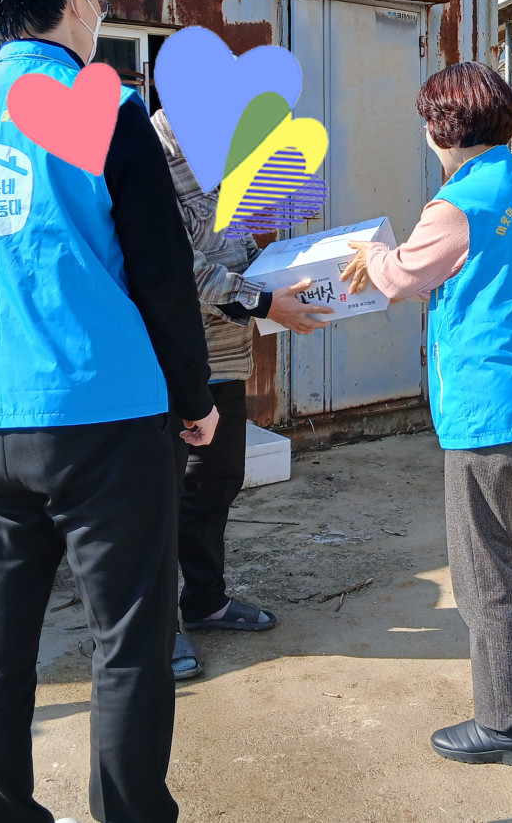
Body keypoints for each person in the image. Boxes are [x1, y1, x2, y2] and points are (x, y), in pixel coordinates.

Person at [0, 0, 217, 823]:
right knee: (127, 636)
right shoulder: (106, 108)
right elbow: (162, 271)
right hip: (100, 413)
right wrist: (195, 397)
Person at [340, 61, 512, 768]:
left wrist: (371, 252)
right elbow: (496, 278)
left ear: (441, 129)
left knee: (488, 571)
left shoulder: (457, 204)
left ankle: (505, 720)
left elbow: (397, 277)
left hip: (496, 416)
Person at [149, 113, 333, 677]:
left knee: (216, 480)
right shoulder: (149, 157)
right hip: (168, 362)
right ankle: (155, 630)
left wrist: (295, 274)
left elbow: (236, 250)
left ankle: (205, 600)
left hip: (223, 357)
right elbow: (176, 268)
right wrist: (264, 301)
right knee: (156, 498)